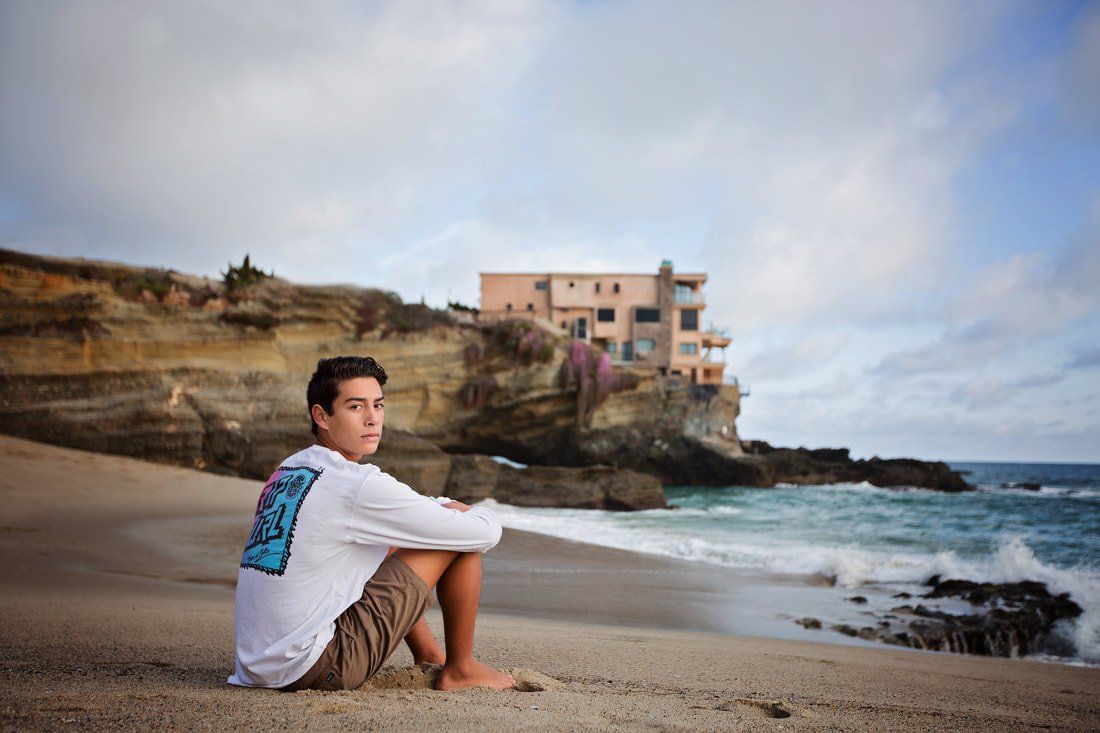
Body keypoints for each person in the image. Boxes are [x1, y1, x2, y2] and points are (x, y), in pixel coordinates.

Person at [228, 355, 514, 692]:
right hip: (315, 667)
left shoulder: (291, 468)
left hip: (258, 663)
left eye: (377, 406)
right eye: (355, 407)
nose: (372, 419)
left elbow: (400, 515)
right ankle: (461, 668)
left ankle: (428, 653)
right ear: (321, 415)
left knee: (394, 535)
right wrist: (465, 511)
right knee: (458, 539)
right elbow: (484, 533)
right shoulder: (353, 484)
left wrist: (440, 507)